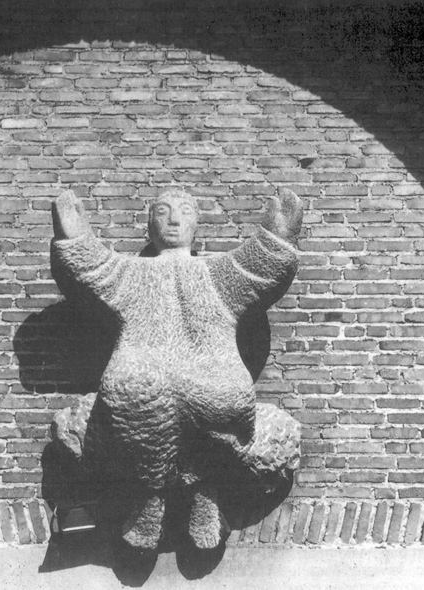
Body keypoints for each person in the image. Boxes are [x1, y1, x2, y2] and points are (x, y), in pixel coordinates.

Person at [50, 188, 302, 552]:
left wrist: (277, 235)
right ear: (149, 224)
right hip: (143, 372)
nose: (173, 219)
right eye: (163, 212)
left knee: (227, 396)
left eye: (184, 211)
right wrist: (74, 237)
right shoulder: (131, 272)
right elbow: (95, 270)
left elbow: (256, 269)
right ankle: (151, 498)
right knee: (130, 389)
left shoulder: (218, 272)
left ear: (196, 224)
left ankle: (204, 495)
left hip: (213, 371)